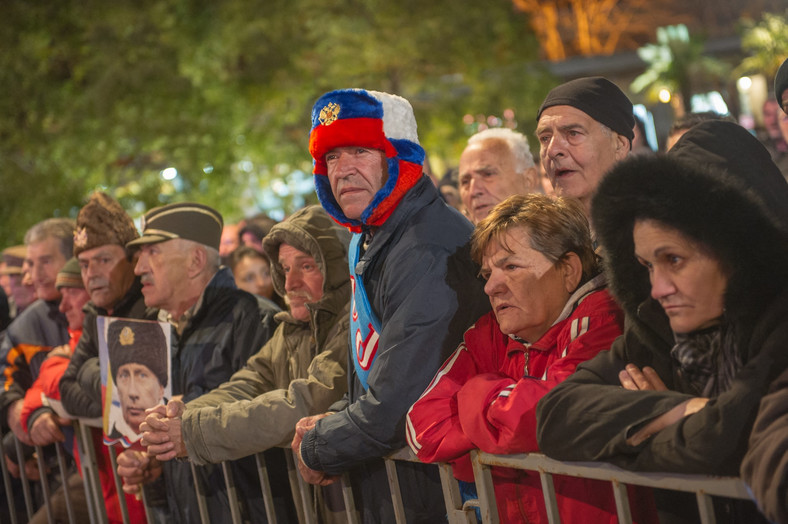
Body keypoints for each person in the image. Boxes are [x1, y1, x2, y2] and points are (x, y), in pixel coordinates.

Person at [536, 120, 788, 523]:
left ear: (737, 247)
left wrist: (636, 426)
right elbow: (556, 415)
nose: (657, 288)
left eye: (674, 260)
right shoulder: (658, 328)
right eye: (646, 265)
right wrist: (682, 409)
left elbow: (734, 435)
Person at [293, 88, 490, 522]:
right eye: (331, 157)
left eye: (360, 151)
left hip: (441, 493)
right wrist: (333, 422)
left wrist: (320, 443)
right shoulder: (373, 237)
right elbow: (372, 370)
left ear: (399, 159)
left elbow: (396, 402)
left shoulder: (428, 244)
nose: (341, 170)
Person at [407, 194, 656, 523]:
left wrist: (477, 395)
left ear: (568, 271)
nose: (491, 287)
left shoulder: (605, 317)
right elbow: (420, 425)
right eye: (487, 273)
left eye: (510, 266)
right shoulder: (491, 332)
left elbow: (557, 410)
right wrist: (506, 426)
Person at [140, 206, 350, 521]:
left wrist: (193, 432)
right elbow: (250, 382)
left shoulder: (352, 322)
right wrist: (185, 412)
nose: (290, 282)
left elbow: (305, 401)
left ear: (334, 268)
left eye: (306, 266)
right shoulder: (291, 328)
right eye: (284, 268)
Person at [116, 202, 279, 524]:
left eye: (153, 253)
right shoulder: (154, 328)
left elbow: (265, 421)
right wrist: (156, 464)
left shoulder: (255, 319)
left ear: (195, 261)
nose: (138, 268)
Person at [18, 258, 92, 524]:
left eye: (73, 292)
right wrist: (38, 411)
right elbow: (38, 389)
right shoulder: (76, 338)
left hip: (123, 481)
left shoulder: (104, 335)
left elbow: (76, 391)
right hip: (94, 475)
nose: (63, 306)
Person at [1, 218, 73, 445]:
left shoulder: (102, 309)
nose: (36, 274)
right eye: (31, 264)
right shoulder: (23, 327)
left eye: (46, 261)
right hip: (59, 460)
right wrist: (20, 412)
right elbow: (4, 379)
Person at [535, 76, 634, 219]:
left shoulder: (659, 228)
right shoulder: (538, 237)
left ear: (619, 145)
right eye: (545, 138)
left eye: (573, 134)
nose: (552, 150)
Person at [458, 128, 538, 224]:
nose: (474, 191)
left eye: (488, 174)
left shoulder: (557, 236)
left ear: (528, 180)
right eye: (465, 182)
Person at [105, 319, 168, 439]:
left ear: (161, 388)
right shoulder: (114, 438)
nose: (132, 392)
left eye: (142, 376)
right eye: (124, 376)